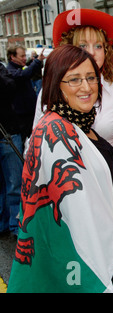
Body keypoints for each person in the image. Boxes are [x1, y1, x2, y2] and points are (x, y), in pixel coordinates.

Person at [7, 45, 113, 293]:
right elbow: (76, 215)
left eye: (91, 78)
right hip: (78, 262)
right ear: (55, 85)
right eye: (74, 80)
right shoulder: (54, 131)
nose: (86, 87)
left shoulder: (78, 123)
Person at [32, 8, 113, 148]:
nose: (91, 53)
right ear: (69, 49)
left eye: (98, 46)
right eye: (82, 46)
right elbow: (35, 141)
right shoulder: (51, 91)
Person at [0, 62, 22, 237]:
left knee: (14, 182)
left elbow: (10, 87)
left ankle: (15, 225)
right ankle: (2, 224)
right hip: (7, 133)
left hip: (7, 132)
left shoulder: (2, 71)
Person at [7, 45, 45, 141]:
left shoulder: (20, 67)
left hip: (28, 112)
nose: (24, 58)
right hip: (22, 116)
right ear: (12, 56)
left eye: (25, 56)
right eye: (22, 56)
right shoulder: (10, 71)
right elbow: (23, 75)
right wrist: (37, 61)